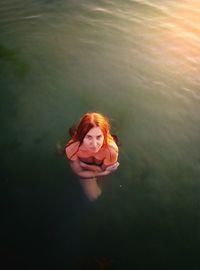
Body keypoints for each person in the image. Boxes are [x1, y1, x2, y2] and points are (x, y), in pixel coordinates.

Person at [65, 112, 119, 201]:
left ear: (104, 135)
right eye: (89, 137)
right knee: (93, 196)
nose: (94, 144)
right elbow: (79, 172)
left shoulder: (111, 150)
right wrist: (103, 172)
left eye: (98, 137)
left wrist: (86, 166)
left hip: (94, 167)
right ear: (81, 135)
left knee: (100, 189)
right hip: (93, 169)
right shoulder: (72, 148)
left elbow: (104, 169)